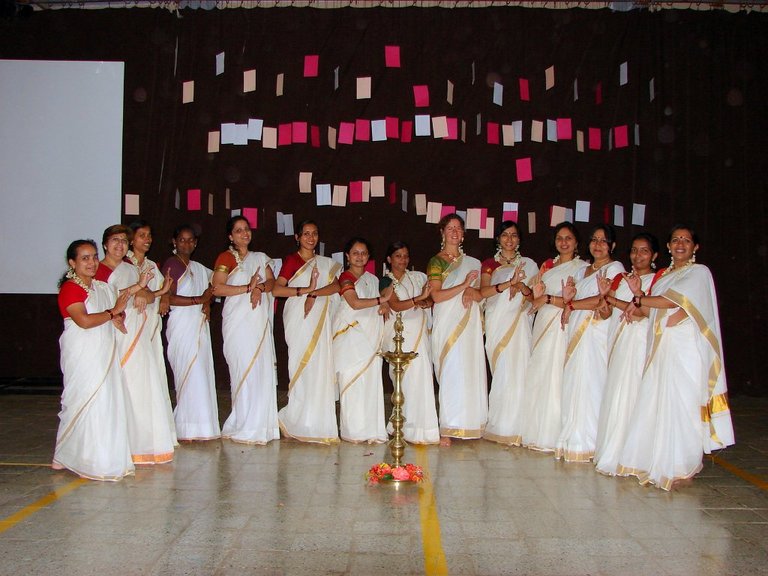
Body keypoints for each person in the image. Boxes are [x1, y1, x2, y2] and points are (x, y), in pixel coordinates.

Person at [618, 225, 735, 490]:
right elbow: (653, 311)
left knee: (683, 405)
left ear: (695, 247)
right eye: (675, 240)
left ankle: (683, 465)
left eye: (686, 240)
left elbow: (671, 302)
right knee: (660, 402)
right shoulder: (664, 278)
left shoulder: (699, 273)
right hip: (662, 349)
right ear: (669, 247)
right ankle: (660, 460)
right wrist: (638, 298)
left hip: (685, 349)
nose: (680, 244)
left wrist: (640, 298)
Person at [96, 224, 177, 465]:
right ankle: (112, 444)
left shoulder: (132, 269)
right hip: (110, 334)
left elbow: (148, 296)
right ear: (105, 244)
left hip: (136, 337)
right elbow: (101, 299)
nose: (120, 245)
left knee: (139, 388)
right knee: (115, 389)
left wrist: (152, 292)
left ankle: (139, 444)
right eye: (115, 240)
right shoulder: (97, 270)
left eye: (123, 240)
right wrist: (136, 290)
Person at [53, 239, 134, 481]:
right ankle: (70, 455)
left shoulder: (102, 287)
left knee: (104, 402)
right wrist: (113, 312)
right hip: (83, 353)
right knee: (81, 400)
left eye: (94, 257)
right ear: (72, 263)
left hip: (104, 352)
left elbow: (115, 313)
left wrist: (117, 315)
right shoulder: (70, 288)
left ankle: (96, 455)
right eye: (85, 258)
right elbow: (85, 321)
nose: (91, 262)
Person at [555, 224, 625, 462]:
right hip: (576, 332)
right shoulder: (582, 270)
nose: (598, 244)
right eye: (594, 240)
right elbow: (574, 298)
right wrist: (568, 299)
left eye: (603, 241)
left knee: (591, 385)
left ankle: (590, 442)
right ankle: (572, 440)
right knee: (573, 384)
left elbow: (603, 300)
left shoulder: (615, 268)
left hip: (596, 333)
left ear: (612, 246)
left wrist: (571, 305)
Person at [592, 233, 659, 475]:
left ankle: (633, 455)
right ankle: (613, 450)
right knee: (616, 393)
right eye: (634, 250)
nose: (637, 255)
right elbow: (606, 314)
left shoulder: (658, 280)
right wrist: (605, 298)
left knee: (632, 394)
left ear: (654, 255)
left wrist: (620, 299)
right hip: (619, 344)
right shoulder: (621, 279)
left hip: (638, 344)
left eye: (644, 251)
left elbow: (642, 313)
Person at [211, 215, 279, 445]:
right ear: (231, 236)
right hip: (237, 324)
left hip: (258, 324)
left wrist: (259, 288)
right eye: (238, 230)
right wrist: (246, 288)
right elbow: (217, 288)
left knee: (259, 370)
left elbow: (272, 282)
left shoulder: (260, 257)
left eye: (247, 229)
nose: (244, 233)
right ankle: (243, 423)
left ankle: (261, 425)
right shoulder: (226, 257)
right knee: (242, 369)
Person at [272, 219, 341, 444]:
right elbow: (277, 290)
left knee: (319, 368)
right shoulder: (292, 261)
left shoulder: (325, 264)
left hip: (319, 320)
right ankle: (296, 419)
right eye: (306, 234)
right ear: (297, 237)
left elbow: (337, 286)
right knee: (301, 367)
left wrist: (314, 293)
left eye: (314, 233)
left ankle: (317, 422)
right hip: (299, 319)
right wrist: (305, 290)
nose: (311, 238)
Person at [522, 222, 588, 452]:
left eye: (568, 238)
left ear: (576, 242)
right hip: (542, 324)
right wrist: (537, 294)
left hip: (561, 325)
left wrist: (548, 298)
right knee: (539, 373)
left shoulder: (582, 269)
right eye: (560, 238)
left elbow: (576, 302)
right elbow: (535, 300)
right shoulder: (547, 268)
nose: (564, 242)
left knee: (555, 376)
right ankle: (534, 431)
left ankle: (552, 435)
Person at [427, 214, 487, 442]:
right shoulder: (436, 261)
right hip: (447, 322)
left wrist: (472, 291)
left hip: (469, 324)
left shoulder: (474, 263)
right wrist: (464, 285)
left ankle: (471, 425)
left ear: (463, 234)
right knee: (451, 372)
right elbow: (436, 296)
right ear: (442, 233)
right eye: (450, 228)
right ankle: (448, 428)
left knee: (469, 370)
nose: (454, 232)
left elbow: (480, 294)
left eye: (458, 228)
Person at [478, 221, 539, 446]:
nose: (509, 239)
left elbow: (534, 298)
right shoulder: (489, 264)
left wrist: (521, 286)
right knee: (502, 372)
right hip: (497, 322)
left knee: (519, 371)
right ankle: (500, 424)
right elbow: (483, 292)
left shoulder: (529, 265)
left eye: (514, 235)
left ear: (519, 239)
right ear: (498, 239)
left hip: (519, 323)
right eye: (505, 235)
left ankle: (518, 426)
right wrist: (508, 284)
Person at [163, 224, 220, 442]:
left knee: (201, 374)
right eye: (182, 240)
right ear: (174, 242)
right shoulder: (171, 264)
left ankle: (203, 427)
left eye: (190, 240)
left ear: (195, 243)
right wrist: (199, 300)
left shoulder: (199, 268)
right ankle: (186, 428)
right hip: (181, 325)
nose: (186, 243)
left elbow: (212, 288)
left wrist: (207, 303)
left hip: (199, 325)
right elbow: (168, 298)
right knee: (188, 375)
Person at [332, 237, 391, 443]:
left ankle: (372, 430)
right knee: (352, 384)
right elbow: (355, 303)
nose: (359, 257)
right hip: (351, 338)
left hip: (371, 338)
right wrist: (382, 300)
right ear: (347, 256)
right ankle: (353, 432)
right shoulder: (345, 277)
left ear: (368, 256)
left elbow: (379, 304)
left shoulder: (373, 280)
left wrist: (384, 305)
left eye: (363, 253)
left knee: (370, 384)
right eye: (355, 253)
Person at [380, 241, 439, 445]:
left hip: (419, 336)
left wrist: (425, 301)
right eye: (398, 256)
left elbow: (430, 299)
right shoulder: (385, 281)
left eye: (405, 256)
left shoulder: (418, 277)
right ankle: (403, 426)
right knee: (403, 381)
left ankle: (423, 429)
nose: (403, 260)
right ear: (389, 259)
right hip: (399, 336)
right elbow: (395, 305)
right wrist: (418, 299)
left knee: (421, 378)